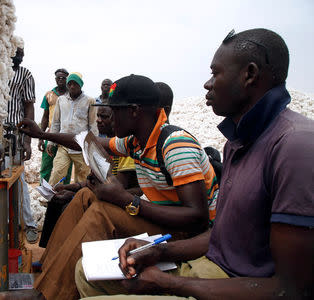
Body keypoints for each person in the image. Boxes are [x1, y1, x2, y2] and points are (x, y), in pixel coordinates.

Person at [74, 28, 314, 299]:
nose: (207, 84)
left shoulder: (294, 146)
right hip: (208, 262)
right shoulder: (238, 141)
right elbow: (220, 236)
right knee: (86, 272)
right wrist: (158, 251)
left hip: (235, 283)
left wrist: (167, 283)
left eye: (216, 73)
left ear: (249, 74)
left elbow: (292, 290)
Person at [10, 75, 219, 300]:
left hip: (189, 237)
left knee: (102, 213)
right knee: (83, 197)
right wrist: (42, 134)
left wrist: (127, 200)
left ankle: (47, 295)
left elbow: (197, 218)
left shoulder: (175, 145)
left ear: (134, 111)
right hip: (166, 222)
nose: (110, 119)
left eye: (115, 111)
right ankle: (46, 275)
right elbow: (86, 141)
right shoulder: (136, 141)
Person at [38, 105, 140, 248]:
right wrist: (68, 187)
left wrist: (76, 193)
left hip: (119, 199)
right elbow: (91, 181)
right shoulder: (102, 145)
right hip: (102, 192)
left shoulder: (124, 146)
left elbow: (118, 189)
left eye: (104, 117)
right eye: (98, 116)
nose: (98, 120)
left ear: (115, 119)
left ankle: (63, 252)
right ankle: (49, 252)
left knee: (67, 206)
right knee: (57, 199)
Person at [6, 45, 38, 243]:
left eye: (22, 54)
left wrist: (27, 140)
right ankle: (7, 223)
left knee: (19, 180)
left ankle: (30, 224)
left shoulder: (25, 75)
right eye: (16, 53)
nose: (19, 57)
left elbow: (29, 107)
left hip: (16, 134)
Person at [46, 72, 98, 185]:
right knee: (57, 172)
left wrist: (93, 147)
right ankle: (51, 199)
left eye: (75, 84)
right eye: (70, 84)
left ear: (81, 85)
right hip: (63, 145)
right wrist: (51, 142)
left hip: (81, 147)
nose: (72, 86)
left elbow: (93, 125)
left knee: (82, 177)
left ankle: (80, 200)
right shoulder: (61, 100)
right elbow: (55, 123)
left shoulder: (89, 101)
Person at [38, 68, 72, 184]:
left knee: (66, 166)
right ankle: (43, 191)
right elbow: (45, 117)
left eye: (63, 77)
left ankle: (65, 192)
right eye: (58, 77)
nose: (61, 79)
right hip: (51, 134)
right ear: (55, 79)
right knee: (46, 165)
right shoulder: (49, 95)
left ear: (67, 79)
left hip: (67, 135)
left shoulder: (72, 94)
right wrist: (41, 137)